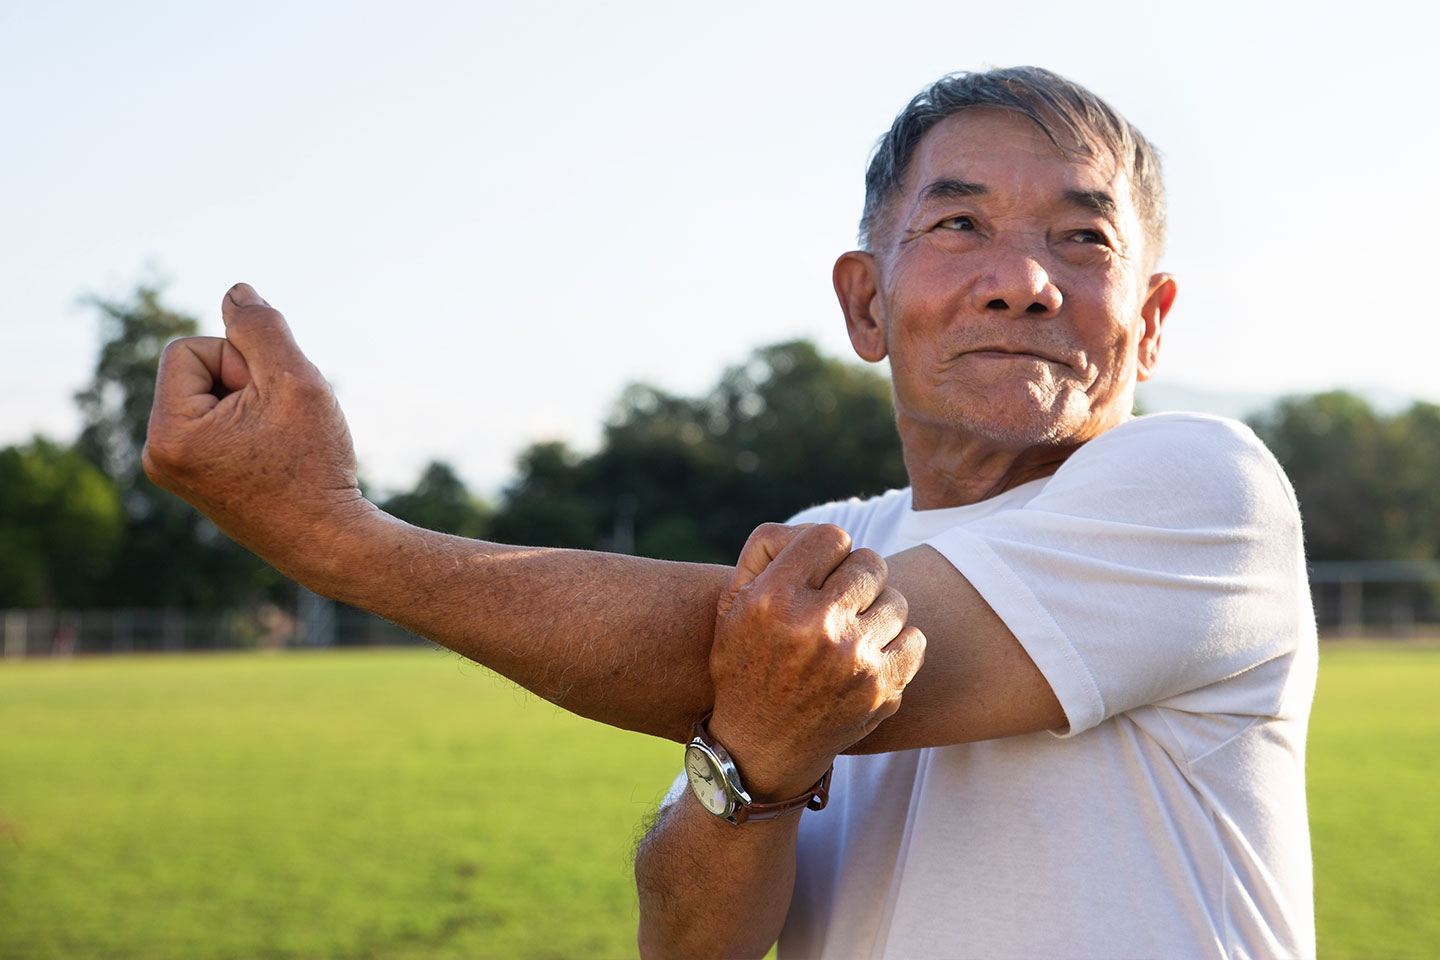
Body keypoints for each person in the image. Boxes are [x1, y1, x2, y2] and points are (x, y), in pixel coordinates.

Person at [143, 66, 1316, 959]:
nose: (1025, 278)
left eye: (1084, 236)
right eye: (960, 225)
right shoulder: (831, 536)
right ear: (866, 303)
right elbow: (691, 939)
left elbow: (769, 650)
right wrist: (752, 759)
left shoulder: (1204, 488)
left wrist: (335, 537)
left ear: (1151, 321)